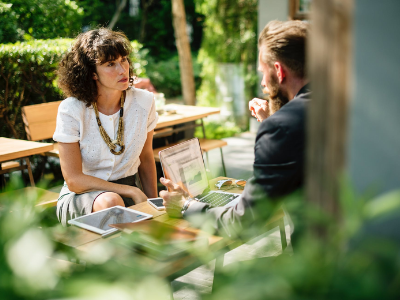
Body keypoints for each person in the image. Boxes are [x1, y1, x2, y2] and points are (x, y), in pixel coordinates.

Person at [159, 20, 310, 236]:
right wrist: (273, 120)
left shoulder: (280, 128)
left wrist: (185, 206)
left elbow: (244, 221)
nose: (263, 84)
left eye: (263, 72)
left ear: (278, 70)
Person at [54, 28, 158, 226]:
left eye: (124, 60)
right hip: (83, 196)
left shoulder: (144, 101)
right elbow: (74, 180)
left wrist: (153, 204)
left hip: (131, 191)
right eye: (110, 64)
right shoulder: (71, 109)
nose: (122, 69)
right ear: (92, 73)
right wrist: (131, 191)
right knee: (112, 202)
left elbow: (146, 157)